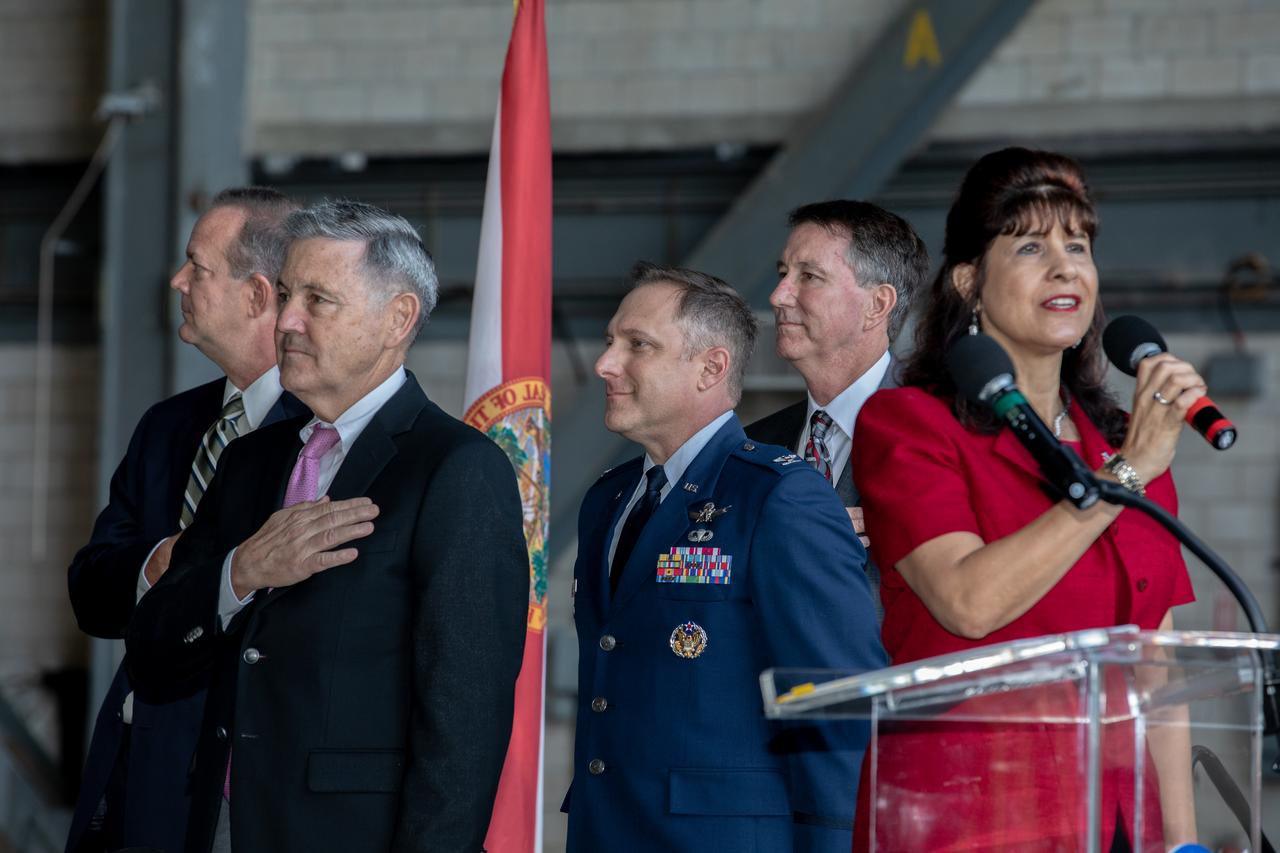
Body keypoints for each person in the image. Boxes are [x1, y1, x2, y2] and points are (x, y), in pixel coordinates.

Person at [124, 200, 529, 852]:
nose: (285, 320)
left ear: (398, 318)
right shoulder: (251, 457)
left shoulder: (456, 468)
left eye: (318, 299)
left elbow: (465, 725)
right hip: (219, 825)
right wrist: (239, 572)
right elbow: (152, 651)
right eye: (285, 294)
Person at [851, 147, 1200, 851]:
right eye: (1032, 245)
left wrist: (1184, 841)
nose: (1066, 264)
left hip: (1118, 814)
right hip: (965, 809)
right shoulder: (912, 425)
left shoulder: (1126, 444)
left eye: (1079, 244)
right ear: (970, 280)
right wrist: (1122, 480)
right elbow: (968, 602)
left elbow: (1157, 670)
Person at [563, 262, 885, 853]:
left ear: (711, 367)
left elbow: (836, 699)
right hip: (606, 828)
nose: (606, 364)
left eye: (638, 345)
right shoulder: (606, 499)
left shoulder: (778, 493)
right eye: (612, 343)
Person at [66, 187, 307, 853]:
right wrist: (155, 565)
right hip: (134, 762)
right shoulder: (168, 425)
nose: (177, 281)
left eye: (196, 267)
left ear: (257, 294)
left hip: (238, 781)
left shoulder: (319, 437)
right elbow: (90, 589)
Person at [746, 200, 929, 614]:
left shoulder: (945, 428)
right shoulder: (754, 445)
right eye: (782, 274)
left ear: (877, 305)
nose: (778, 295)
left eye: (808, 276)